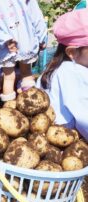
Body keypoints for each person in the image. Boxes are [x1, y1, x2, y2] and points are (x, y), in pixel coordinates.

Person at [37, 9, 88, 141]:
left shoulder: (54, 69)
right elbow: (85, 120)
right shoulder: (72, 72)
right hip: (64, 143)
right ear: (72, 52)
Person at [0, 0, 47, 101]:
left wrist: (6, 39)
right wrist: (42, 38)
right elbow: (37, 18)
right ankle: (31, 103)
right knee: (26, 73)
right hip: (25, 41)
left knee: (8, 77)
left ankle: (9, 107)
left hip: (5, 47)